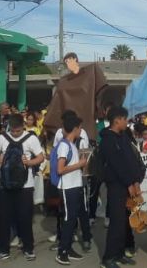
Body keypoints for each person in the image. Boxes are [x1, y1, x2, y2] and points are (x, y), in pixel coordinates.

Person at [0, 114, 44, 262]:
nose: (15, 133)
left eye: (18, 130)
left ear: (23, 126)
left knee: (25, 218)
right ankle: (2, 250)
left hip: (25, 185)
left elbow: (41, 157)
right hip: (4, 185)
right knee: (3, 219)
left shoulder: (31, 138)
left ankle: (28, 248)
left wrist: (29, 162)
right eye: (12, 130)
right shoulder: (2, 138)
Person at [100, 106, 142, 268]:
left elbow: (130, 160)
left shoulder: (123, 136)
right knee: (116, 222)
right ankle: (108, 257)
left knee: (125, 221)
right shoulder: (108, 140)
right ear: (116, 120)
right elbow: (117, 165)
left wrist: (136, 180)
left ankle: (120, 253)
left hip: (129, 183)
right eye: (124, 119)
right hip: (117, 185)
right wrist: (128, 183)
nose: (126, 122)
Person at [54, 112, 91, 265]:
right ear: (75, 128)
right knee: (69, 220)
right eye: (79, 128)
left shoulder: (71, 145)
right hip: (67, 188)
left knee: (73, 218)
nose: (80, 130)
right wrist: (79, 165)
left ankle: (68, 248)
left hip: (75, 186)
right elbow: (60, 169)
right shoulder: (64, 145)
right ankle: (62, 251)